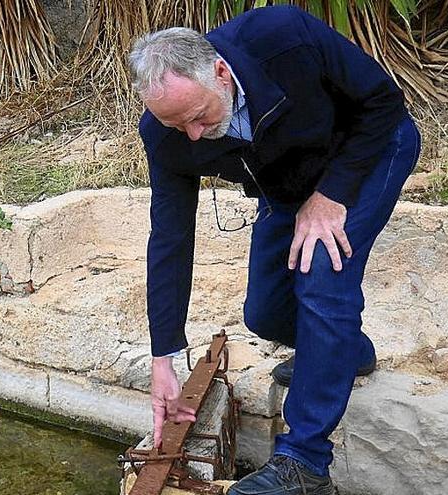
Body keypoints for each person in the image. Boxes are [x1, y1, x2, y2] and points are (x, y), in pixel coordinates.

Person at [128, 5, 420, 495]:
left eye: (199, 117)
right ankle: (347, 353)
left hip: (368, 151)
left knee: (323, 277)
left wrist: (330, 198)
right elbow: (170, 238)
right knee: (265, 313)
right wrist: (164, 355)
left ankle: (304, 463)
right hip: (288, 184)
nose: (195, 137)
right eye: (181, 127)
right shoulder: (166, 134)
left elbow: (385, 105)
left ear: (220, 72)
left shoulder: (284, 37)